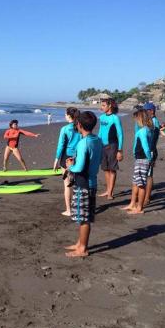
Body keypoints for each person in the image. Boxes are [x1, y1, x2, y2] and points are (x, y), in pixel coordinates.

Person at [63, 111, 102, 257]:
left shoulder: (83, 142)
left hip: (83, 183)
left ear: (79, 125)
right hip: (92, 181)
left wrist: (69, 166)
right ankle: (80, 243)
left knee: (83, 218)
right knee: (83, 216)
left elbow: (78, 168)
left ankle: (83, 248)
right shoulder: (97, 140)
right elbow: (96, 160)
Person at [121, 109, 153, 215]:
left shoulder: (143, 131)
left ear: (140, 119)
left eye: (136, 119)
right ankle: (132, 203)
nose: (135, 121)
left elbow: (146, 146)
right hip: (140, 159)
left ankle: (139, 207)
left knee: (141, 184)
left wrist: (149, 159)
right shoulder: (147, 129)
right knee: (135, 182)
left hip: (143, 160)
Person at [53, 107, 82, 216]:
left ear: (69, 116)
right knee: (78, 183)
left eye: (65, 114)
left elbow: (60, 145)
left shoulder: (65, 129)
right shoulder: (80, 127)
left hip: (66, 157)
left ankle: (69, 210)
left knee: (67, 185)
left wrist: (56, 159)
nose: (64, 116)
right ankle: (79, 208)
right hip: (79, 156)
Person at [98, 98, 124, 200]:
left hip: (113, 145)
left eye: (103, 105)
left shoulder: (115, 118)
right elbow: (100, 131)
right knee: (105, 169)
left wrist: (120, 150)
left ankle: (110, 193)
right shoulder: (102, 117)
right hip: (103, 145)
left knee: (112, 169)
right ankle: (107, 190)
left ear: (110, 106)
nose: (102, 107)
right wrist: (98, 144)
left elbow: (120, 134)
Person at [143, 103, 160, 205]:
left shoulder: (154, 121)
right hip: (147, 150)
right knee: (145, 174)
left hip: (151, 150)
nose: (144, 113)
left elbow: (154, 138)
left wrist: (150, 152)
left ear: (151, 111)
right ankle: (145, 194)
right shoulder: (150, 121)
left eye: (145, 111)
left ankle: (147, 198)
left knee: (149, 175)